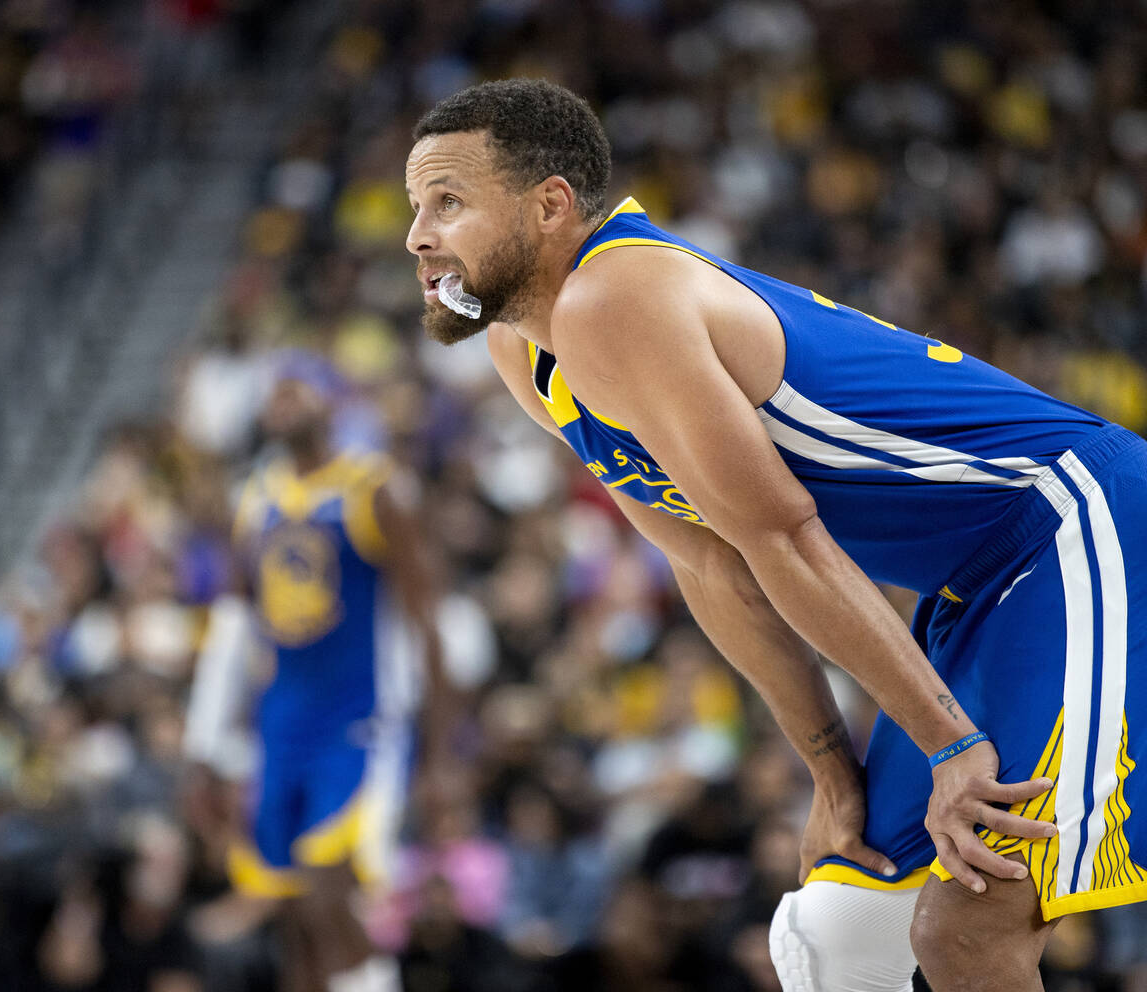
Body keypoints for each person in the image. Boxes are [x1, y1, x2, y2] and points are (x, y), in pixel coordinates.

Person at [403, 79, 1147, 992]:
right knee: (840, 930)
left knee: (970, 922)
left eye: (449, 203)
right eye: (415, 208)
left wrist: (951, 747)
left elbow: (783, 540)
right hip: (977, 581)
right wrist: (834, 777)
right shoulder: (524, 345)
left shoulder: (615, 297)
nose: (417, 237)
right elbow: (708, 561)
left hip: (1076, 521)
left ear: (550, 205)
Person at [188, 350, 449, 992]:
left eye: (296, 387)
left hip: (357, 719)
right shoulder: (256, 496)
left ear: (330, 401)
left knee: (332, 895)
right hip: (281, 724)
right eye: (274, 392)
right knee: (291, 914)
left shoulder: (374, 488)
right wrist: (203, 745)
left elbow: (425, 621)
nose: (282, 399)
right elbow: (230, 628)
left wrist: (441, 750)